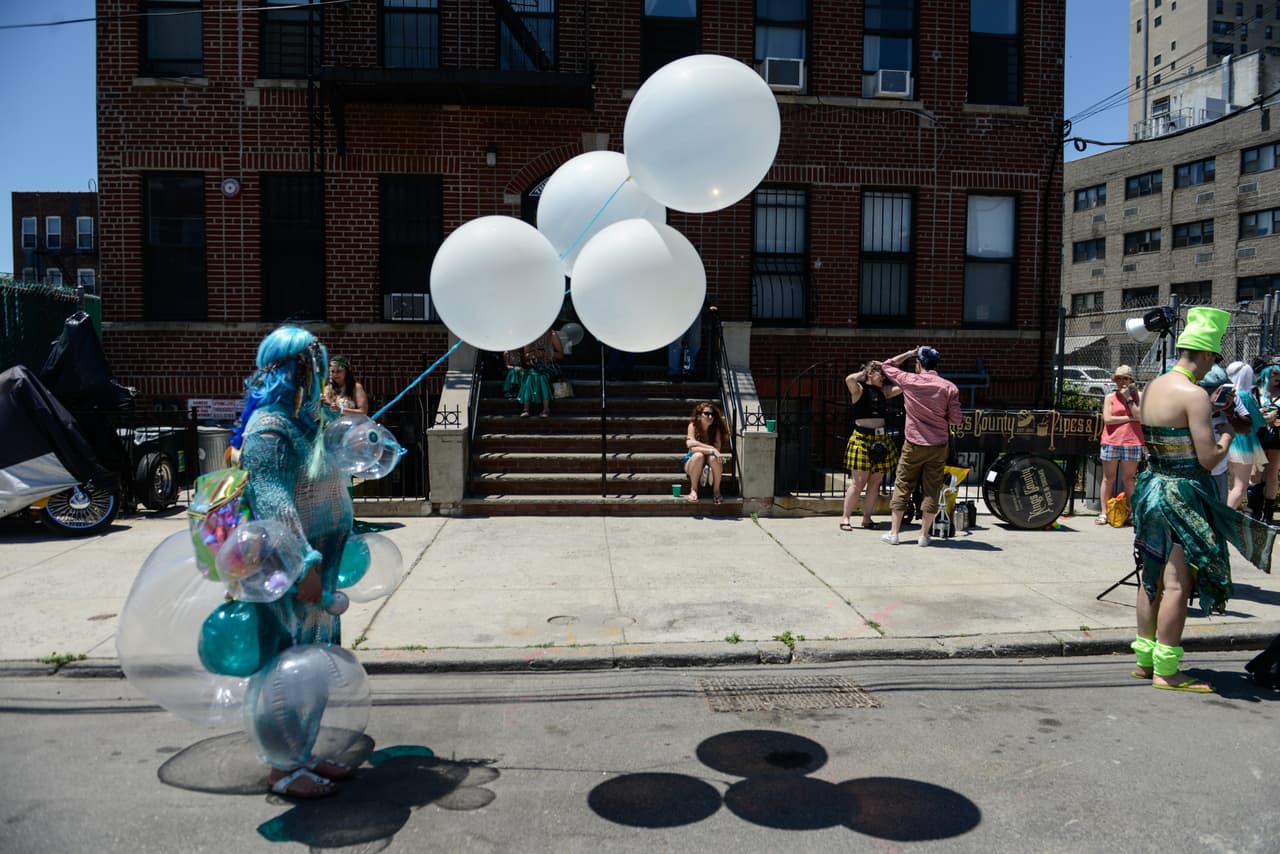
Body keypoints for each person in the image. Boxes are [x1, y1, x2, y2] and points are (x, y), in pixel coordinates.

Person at [232, 326, 358, 797]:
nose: (321, 375)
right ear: (292, 371)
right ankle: (282, 769)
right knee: (284, 673)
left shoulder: (305, 421)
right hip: (287, 575)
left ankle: (302, 753)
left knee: (314, 669)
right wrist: (303, 563)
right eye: (313, 367)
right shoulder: (269, 430)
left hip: (320, 569)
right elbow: (273, 504)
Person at [1130, 307, 1275, 693]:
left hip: (1150, 488)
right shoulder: (1193, 395)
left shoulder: (1152, 387)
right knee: (1177, 584)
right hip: (1181, 495)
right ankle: (1167, 669)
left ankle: (1146, 661)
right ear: (1208, 355)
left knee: (1151, 579)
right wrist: (1226, 434)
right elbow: (1209, 458)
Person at [877, 346, 963, 546]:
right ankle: (924, 536)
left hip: (913, 443)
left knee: (903, 484)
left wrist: (908, 353)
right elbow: (956, 420)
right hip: (938, 445)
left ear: (919, 364)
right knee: (932, 488)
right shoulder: (949, 387)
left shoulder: (909, 380)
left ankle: (894, 533)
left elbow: (886, 366)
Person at [839, 362, 903, 531]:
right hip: (862, 437)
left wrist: (897, 362)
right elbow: (849, 379)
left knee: (875, 482)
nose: (883, 377)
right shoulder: (859, 390)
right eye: (879, 374)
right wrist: (867, 372)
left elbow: (903, 385)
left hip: (880, 439)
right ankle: (845, 518)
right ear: (869, 374)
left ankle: (867, 519)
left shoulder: (884, 392)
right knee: (858, 483)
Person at [1095, 365, 1144, 525]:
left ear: (1130, 380)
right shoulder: (1110, 397)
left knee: (1129, 479)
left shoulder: (1138, 396)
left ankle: (1132, 513)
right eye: (1119, 378)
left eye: (1125, 378)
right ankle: (1104, 513)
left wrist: (1129, 399)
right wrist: (1129, 418)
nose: (1122, 382)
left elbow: (1140, 417)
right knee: (1108, 478)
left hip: (1132, 441)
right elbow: (1108, 420)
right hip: (1111, 441)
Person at [1224, 361, 1267, 512]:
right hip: (1243, 445)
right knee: (1240, 487)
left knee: (1229, 486)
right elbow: (1257, 421)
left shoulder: (1225, 394)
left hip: (1226, 442)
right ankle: (1223, 520)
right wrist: (1268, 417)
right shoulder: (1245, 396)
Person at [684, 400, 728, 503]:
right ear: (699, 415)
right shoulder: (693, 426)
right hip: (692, 461)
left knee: (714, 457)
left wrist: (697, 444)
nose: (710, 416)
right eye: (706, 413)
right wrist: (711, 449)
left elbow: (716, 449)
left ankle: (716, 491)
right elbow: (692, 448)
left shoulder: (715, 429)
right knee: (698, 455)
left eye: (712, 414)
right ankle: (694, 490)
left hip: (709, 460)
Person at [518, 328, 563, 418]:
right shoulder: (530, 334)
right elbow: (525, 356)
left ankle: (546, 409)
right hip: (534, 367)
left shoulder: (552, 334)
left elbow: (561, 355)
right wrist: (533, 354)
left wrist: (545, 354)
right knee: (530, 377)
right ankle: (526, 409)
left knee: (541, 377)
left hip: (549, 367)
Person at [1255, 365, 1280, 523]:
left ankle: (1268, 513)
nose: (1278, 377)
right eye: (1274, 374)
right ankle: (1255, 511)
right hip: (1258, 435)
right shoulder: (1256, 392)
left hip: (1276, 437)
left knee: (1272, 473)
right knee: (1257, 474)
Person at [667, 303, 716, 381]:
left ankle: (689, 370)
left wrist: (708, 305)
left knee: (694, 343)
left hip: (695, 311)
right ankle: (674, 371)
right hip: (677, 312)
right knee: (676, 342)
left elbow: (701, 293)